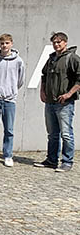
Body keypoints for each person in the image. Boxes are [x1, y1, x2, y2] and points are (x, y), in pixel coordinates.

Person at [36, 32, 80, 172]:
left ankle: (67, 161)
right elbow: (44, 75)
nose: (56, 44)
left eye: (59, 42)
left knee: (66, 134)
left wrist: (69, 94)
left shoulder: (72, 58)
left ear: (65, 42)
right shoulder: (52, 58)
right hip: (50, 102)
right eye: (54, 42)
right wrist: (42, 91)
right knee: (52, 134)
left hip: (65, 104)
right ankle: (51, 160)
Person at [0, 33, 25, 168]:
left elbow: (20, 80)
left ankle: (7, 155)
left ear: (11, 44)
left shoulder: (18, 61)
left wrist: (11, 91)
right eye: (2, 43)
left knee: (9, 129)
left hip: (9, 99)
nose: (4, 45)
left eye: (7, 43)